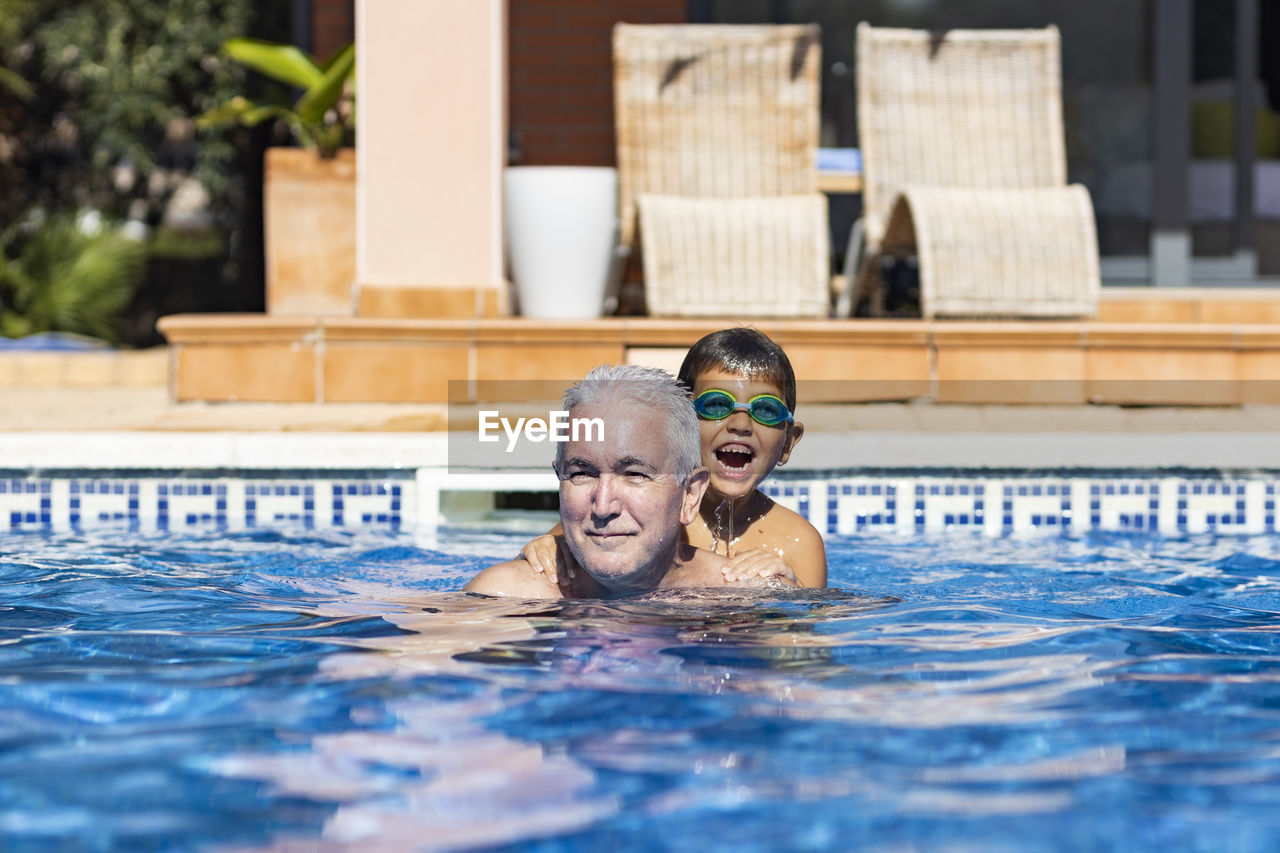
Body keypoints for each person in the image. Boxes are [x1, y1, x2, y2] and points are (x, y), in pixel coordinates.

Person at [521, 328, 827, 588]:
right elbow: (547, 560)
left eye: (766, 410)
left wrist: (789, 589)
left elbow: (802, 646)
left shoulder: (796, 542)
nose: (740, 424)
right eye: (717, 405)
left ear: (788, 442)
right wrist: (544, 552)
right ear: (681, 428)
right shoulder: (637, 512)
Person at [465, 364, 790, 599]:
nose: (604, 505)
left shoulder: (749, 601)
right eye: (582, 473)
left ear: (690, 495)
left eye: (635, 474)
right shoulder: (505, 597)